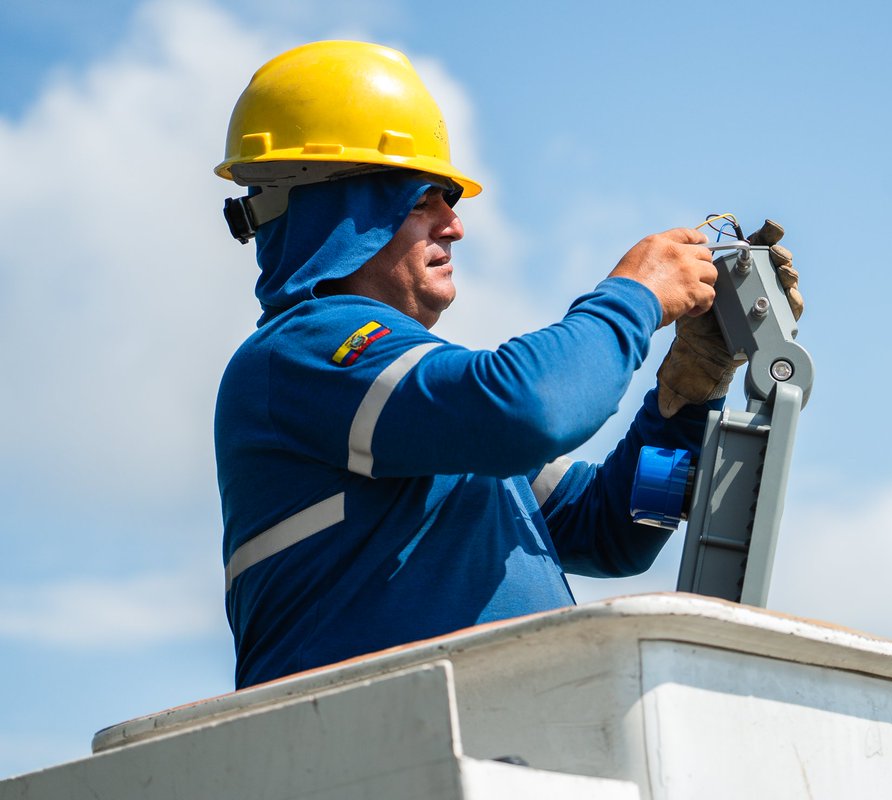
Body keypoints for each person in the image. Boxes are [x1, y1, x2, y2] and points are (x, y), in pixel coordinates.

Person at [214, 41, 796, 689]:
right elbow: (531, 407)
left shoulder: (424, 411)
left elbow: (619, 530)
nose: (454, 226)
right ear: (344, 207)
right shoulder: (301, 354)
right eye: (422, 199)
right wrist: (635, 295)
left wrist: (685, 394)